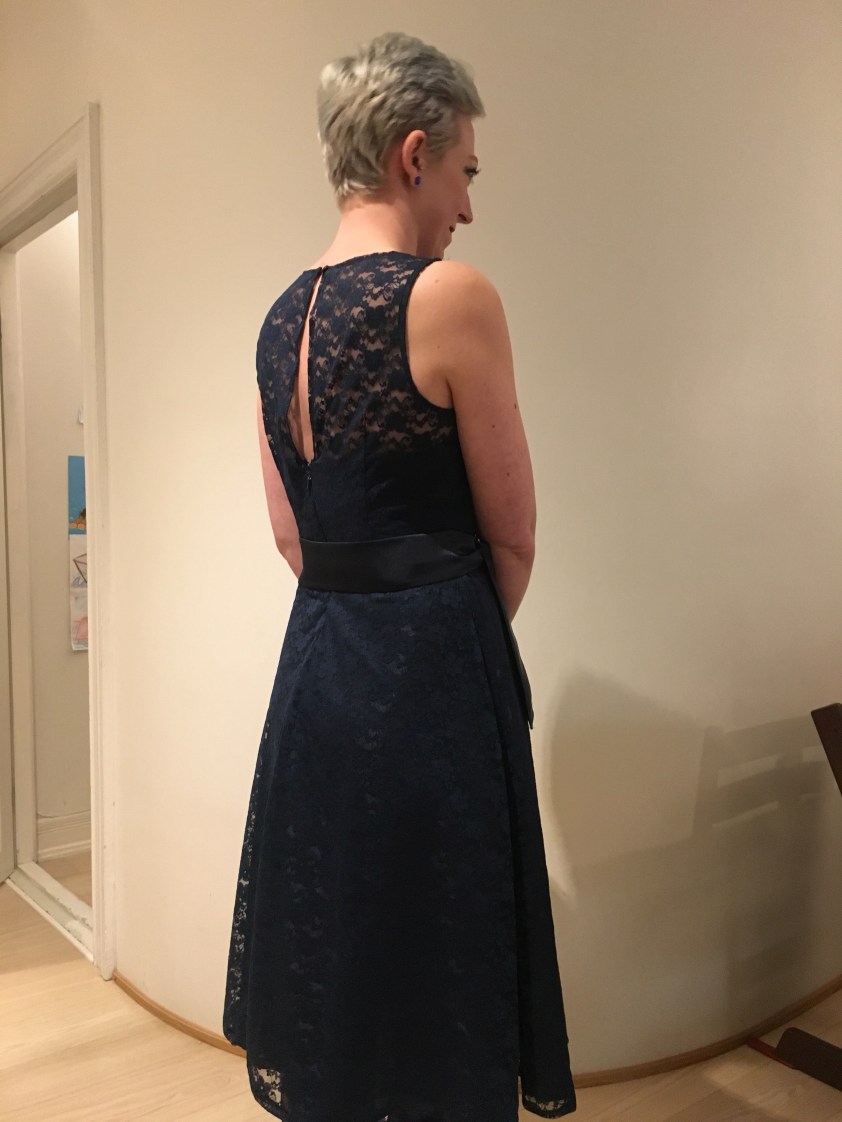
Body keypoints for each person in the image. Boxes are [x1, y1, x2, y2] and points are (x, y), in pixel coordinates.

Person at [223, 30, 576, 1122]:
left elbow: (293, 541)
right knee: (441, 963)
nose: (467, 206)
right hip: (433, 681)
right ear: (412, 155)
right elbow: (513, 537)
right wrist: (445, 645)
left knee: (343, 944)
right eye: (465, 170)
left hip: (315, 679)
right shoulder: (450, 296)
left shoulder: (277, 322)